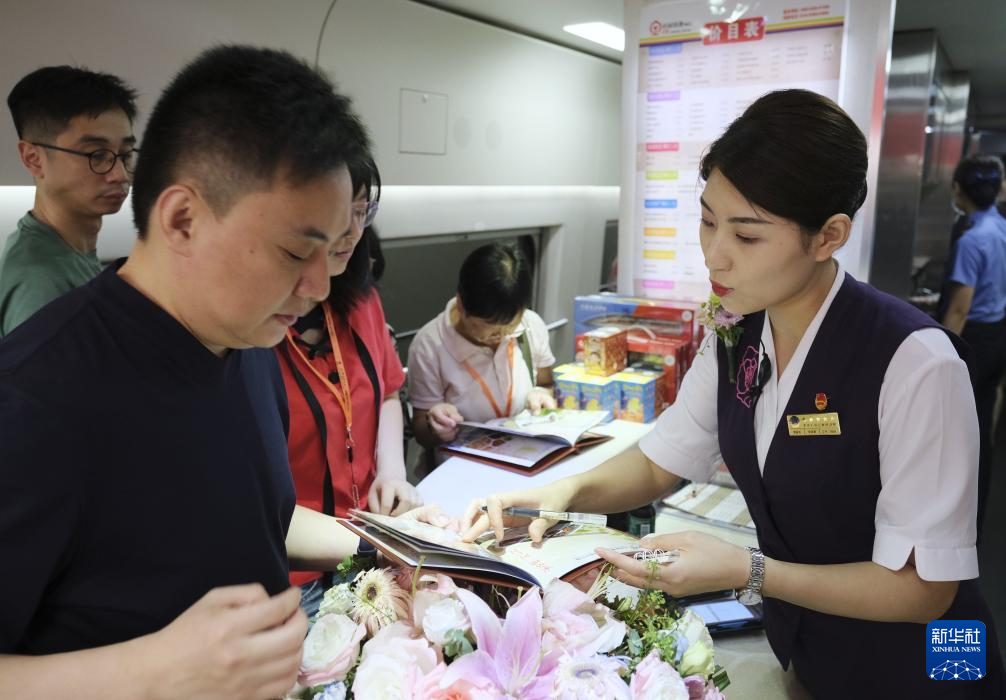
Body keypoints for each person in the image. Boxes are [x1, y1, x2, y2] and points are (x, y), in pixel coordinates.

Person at [464, 90, 1005, 698]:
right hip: (815, 649)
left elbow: (923, 590)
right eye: (707, 220)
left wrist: (750, 570)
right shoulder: (736, 327)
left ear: (828, 236)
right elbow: (658, 460)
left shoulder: (917, 361)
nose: (714, 254)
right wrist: (560, 493)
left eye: (747, 237)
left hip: (931, 661)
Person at [0, 45, 455, 698]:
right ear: (182, 218)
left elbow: (257, 518)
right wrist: (151, 674)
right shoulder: (34, 400)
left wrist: (389, 542)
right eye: (297, 250)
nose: (319, 287)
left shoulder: (246, 349)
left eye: (332, 253)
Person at [277, 156, 420, 617]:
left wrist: (393, 471)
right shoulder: (251, 329)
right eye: (343, 212)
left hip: (371, 534)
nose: (353, 229)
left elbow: (390, 391)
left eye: (364, 211)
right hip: (292, 564)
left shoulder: (362, 300)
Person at [0, 65, 138, 337]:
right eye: (96, 155)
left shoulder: (70, 250)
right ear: (33, 158)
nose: (119, 174)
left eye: (125, 154)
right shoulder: (40, 282)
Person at [408, 242, 557, 450]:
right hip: (464, 464)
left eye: (510, 326)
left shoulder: (531, 324)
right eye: (491, 328)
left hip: (526, 451)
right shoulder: (429, 345)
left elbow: (547, 383)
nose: (502, 336)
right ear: (461, 305)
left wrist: (543, 393)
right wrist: (436, 426)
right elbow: (421, 432)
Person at [940, 154, 1006, 536]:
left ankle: (960, 523)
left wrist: (944, 354)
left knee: (962, 433)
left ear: (959, 190)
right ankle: (975, 517)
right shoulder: (1000, 227)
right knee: (982, 427)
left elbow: (960, 308)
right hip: (997, 333)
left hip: (975, 340)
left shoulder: (972, 240)